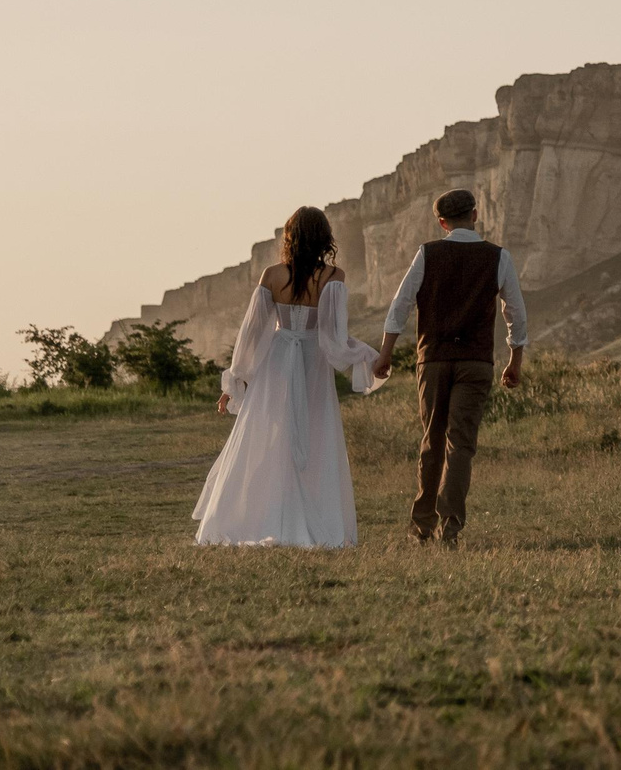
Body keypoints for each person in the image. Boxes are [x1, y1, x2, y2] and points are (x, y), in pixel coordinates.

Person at [193, 204, 382, 547]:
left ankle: (258, 516)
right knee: (313, 436)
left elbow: (251, 336)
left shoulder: (272, 275)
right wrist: (366, 357)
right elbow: (334, 341)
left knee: (270, 435)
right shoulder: (333, 278)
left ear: (290, 237)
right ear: (325, 237)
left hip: (277, 360)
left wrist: (237, 379)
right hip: (313, 363)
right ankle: (310, 517)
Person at [371, 189, 526, 549]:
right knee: (461, 445)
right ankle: (451, 527)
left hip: (434, 359)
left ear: (442, 222)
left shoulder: (428, 253)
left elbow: (401, 304)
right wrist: (515, 361)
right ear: (475, 215)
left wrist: (386, 353)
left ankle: (421, 526)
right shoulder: (498, 257)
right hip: (476, 361)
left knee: (432, 442)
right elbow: (515, 311)